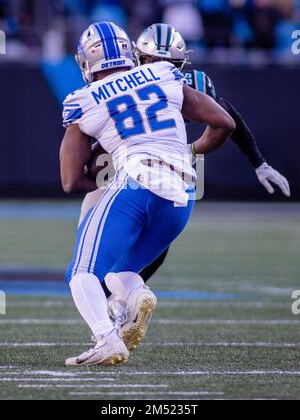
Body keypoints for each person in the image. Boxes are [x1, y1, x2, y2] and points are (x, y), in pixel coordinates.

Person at [77, 23, 290, 325]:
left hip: (161, 166)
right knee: (98, 238)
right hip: (118, 167)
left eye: (170, 64)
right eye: (152, 62)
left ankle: (118, 300)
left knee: (153, 237)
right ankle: (115, 296)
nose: (161, 68)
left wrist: (257, 162)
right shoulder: (117, 82)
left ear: (181, 65)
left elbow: (226, 115)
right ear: (137, 57)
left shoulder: (186, 83)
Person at [60, 21, 235, 367]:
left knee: (81, 272)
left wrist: (107, 174)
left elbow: (69, 179)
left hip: (135, 181)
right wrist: (191, 151)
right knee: (116, 272)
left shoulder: (83, 100)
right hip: (183, 194)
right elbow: (224, 123)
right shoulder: (163, 74)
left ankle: (106, 339)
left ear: (85, 62)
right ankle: (137, 295)